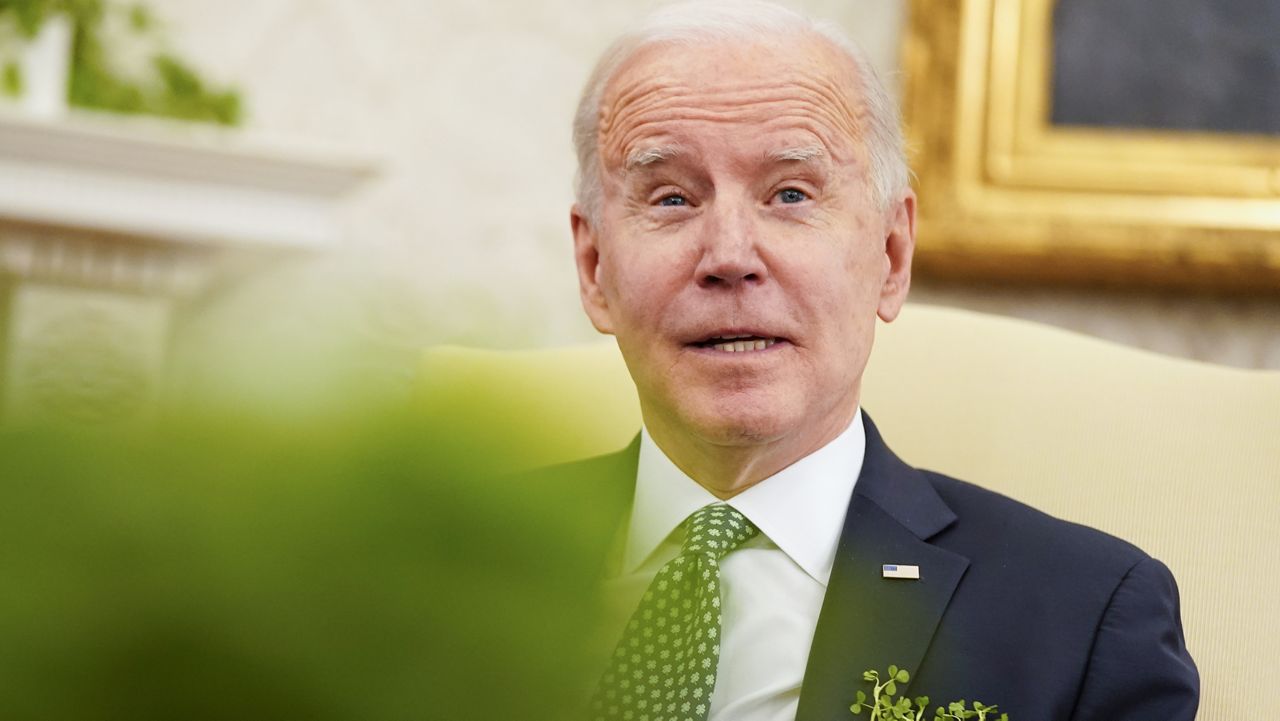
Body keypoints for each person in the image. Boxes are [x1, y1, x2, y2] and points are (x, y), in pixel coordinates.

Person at [559, 1, 1198, 720]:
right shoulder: (428, 564)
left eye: (791, 194)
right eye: (672, 197)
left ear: (891, 257)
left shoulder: (1084, 619)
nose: (730, 256)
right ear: (593, 267)